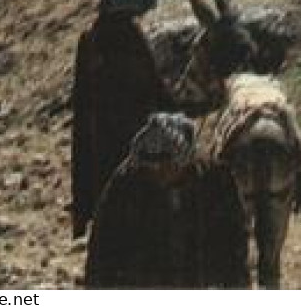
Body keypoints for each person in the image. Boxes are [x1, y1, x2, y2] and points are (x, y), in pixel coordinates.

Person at [83, 113, 251, 289]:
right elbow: (102, 248)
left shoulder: (215, 180)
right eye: (151, 165)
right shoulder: (125, 184)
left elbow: (235, 240)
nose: (158, 171)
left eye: (166, 164)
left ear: (184, 161)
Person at [70, 0, 171, 239]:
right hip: (124, 147)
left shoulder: (94, 39)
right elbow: (156, 90)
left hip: (104, 149)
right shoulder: (115, 40)